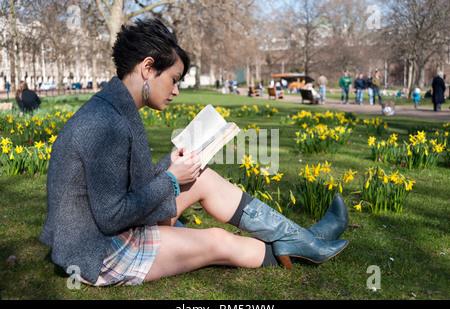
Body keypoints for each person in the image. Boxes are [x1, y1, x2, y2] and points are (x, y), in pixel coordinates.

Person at [39, 18, 349, 287]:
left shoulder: (114, 108)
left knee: (202, 177)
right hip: (98, 250)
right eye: (174, 80)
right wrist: (172, 179)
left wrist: (173, 166)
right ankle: (304, 246)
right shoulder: (105, 124)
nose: (175, 91)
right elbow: (111, 217)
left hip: (104, 230)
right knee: (217, 240)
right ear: (148, 68)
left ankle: (305, 239)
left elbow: (127, 188)